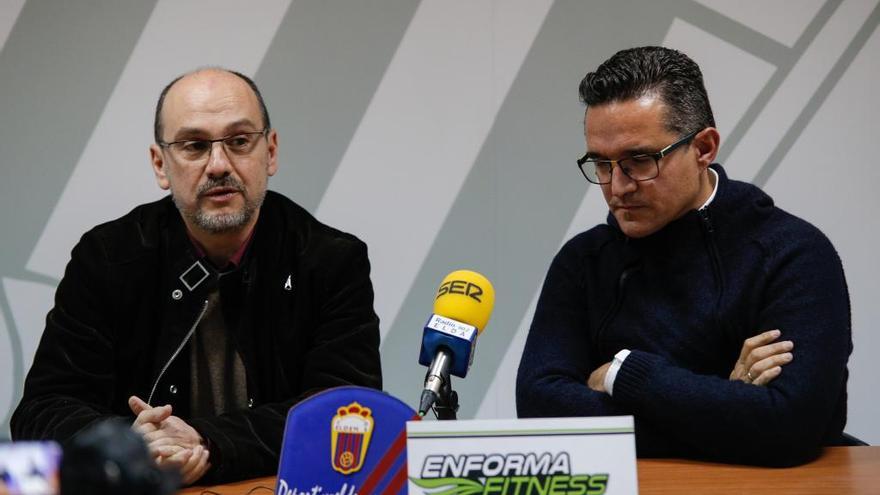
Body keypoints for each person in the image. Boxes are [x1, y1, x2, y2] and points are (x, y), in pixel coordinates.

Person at [11, 68, 383, 484]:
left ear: (271, 152)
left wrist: (208, 442)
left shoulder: (330, 260)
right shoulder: (108, 257)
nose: (219, 165)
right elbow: (42, 410)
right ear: (160, 164)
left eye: (240, 141)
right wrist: (130, 445)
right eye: (194, 146)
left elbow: (349, 412)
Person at [516, 46, 852, 466]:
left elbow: (790, 427)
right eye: (602, 164)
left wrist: (622, 374)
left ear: (704, 147)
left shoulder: (792, 254)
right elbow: (539, 408)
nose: (618, 187)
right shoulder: (583, 261)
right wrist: (725, 405)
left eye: (639, 160)